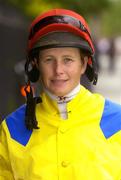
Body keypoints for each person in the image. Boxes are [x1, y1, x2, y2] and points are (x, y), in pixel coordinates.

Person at [0, 8, 121, 180]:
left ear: (84, 64)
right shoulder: (12, 128)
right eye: (49, 60)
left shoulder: (117, 122)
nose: (58, 70)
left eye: (68, 60)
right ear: (35, 64)